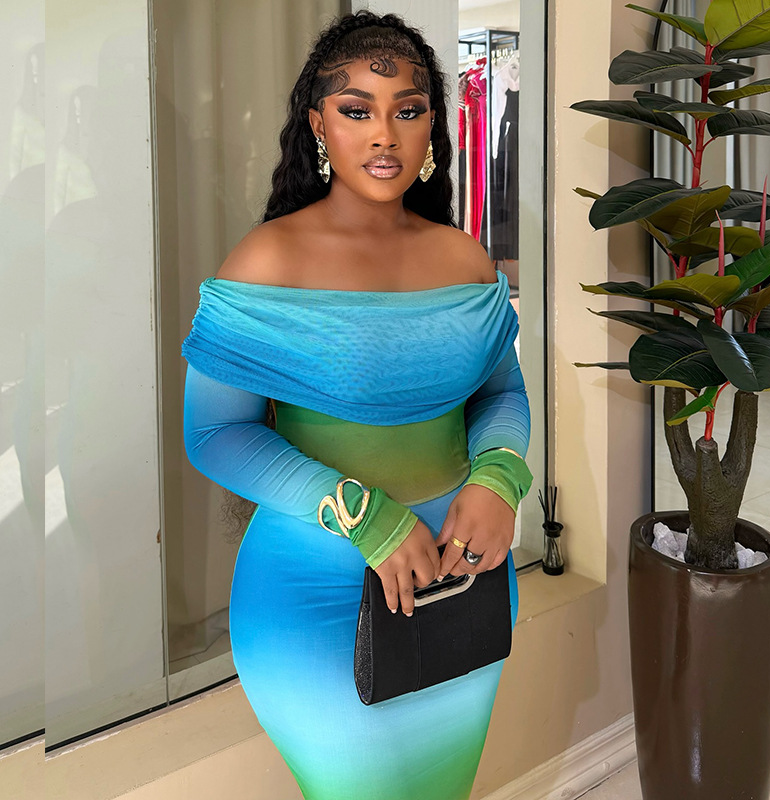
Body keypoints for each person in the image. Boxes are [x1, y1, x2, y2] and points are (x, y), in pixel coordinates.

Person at [181, 10, 533, 800]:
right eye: (356, 110)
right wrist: (363, 516)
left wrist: (499, 478)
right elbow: (216, 433)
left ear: (432, 125)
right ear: (318, 125)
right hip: (314, 594)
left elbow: (502, 395)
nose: (384, 134)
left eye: (407, 110)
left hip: (464, 585)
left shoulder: (465, 258)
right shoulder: (267, 260)